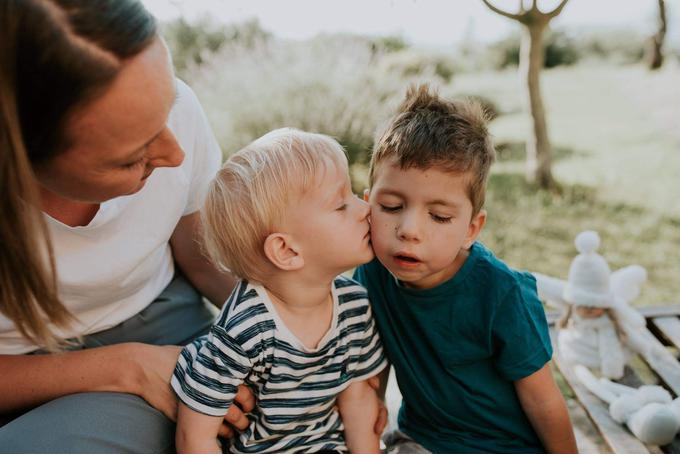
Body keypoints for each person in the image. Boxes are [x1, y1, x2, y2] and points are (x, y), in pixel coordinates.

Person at [0, 1, 253, 452]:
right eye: (130, 156)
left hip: (165, 322)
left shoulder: (175, 120)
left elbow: (204, 259)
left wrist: (299, 329)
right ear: (18, 155)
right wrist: (127, 368)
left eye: (168, 109)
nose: (175, 155)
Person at [353, 85, 578, 453]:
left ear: (471, 228)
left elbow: (544, 400)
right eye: (391, 206)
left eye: (439, 216)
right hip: (420, 441)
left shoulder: (502, 294)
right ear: (368, 204)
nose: (409, 230)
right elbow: (371, 366)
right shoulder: (371, 272)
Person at [171, 128, 387, 453]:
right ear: (287, 251)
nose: (365, 209)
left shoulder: (353, 304)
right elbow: (195, 436)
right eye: (341, 205)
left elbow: (357, 400)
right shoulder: (245, 329)